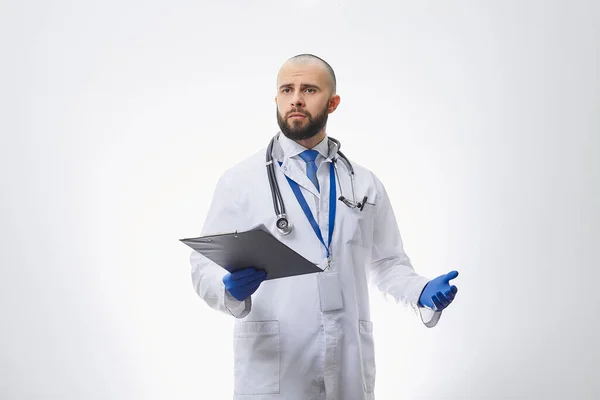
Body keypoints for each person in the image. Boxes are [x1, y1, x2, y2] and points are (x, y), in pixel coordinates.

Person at [189, 53, 459, 400]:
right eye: (287, 89)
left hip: (346, 357)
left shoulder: (364, 184)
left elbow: (387, 263)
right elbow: (203, 266)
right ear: (276, 99)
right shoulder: (240, 181)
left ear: (333, 102)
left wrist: (419, 291)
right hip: (276, 365)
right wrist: (228, 291)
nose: (296, 98)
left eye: (309, 89)